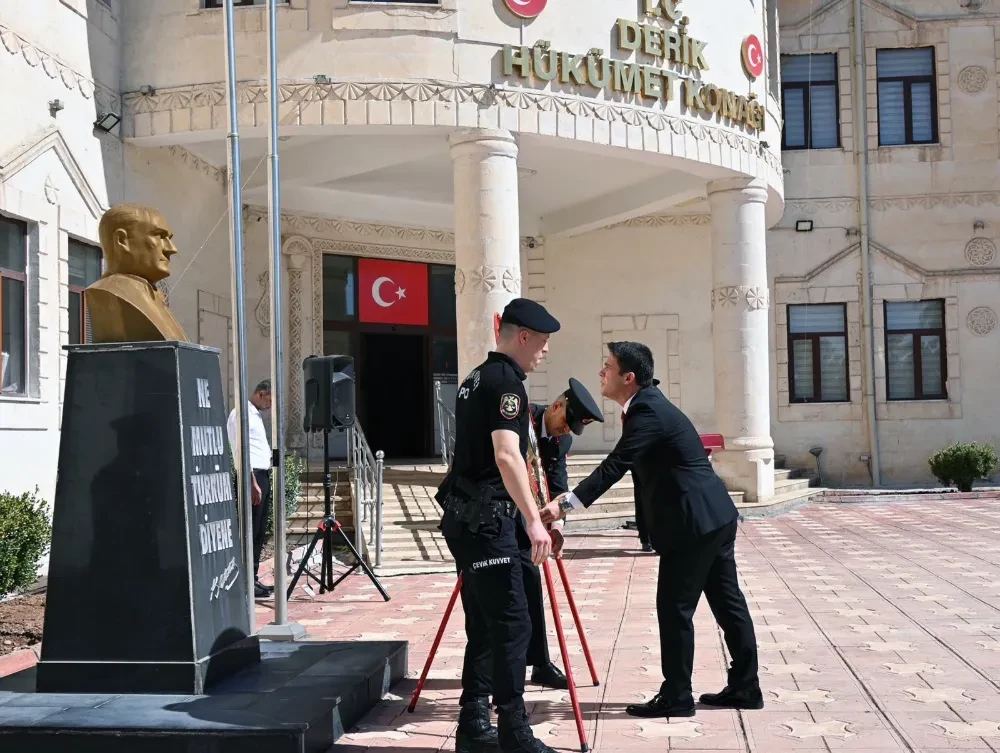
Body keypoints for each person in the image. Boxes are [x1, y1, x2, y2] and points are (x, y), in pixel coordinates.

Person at [540, 342, 762, 718]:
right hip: (712, 517)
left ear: (628, 377)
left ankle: (677, 696)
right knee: (728, 604)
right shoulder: (647, 406)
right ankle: (745, 686)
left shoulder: (648, 411)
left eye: (607, 367)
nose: (601, 373)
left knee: (675, 609)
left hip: (694, 525)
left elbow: (616, 465)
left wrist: (564, 503)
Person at [437, 298, 560, 753]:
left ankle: (473, 725)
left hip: (467, 519)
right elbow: (507, 455)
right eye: (543, 342)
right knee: (512, 625)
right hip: (488, 521)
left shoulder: (475, 378)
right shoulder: (507, 383)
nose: (544, 352)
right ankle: (513, 732)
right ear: (523, 336)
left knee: (486, 625)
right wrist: (534, 521)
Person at [524, 379, 604, 690]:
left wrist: (557, 527)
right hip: (490, 516)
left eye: (573, 428)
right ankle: (491, 669)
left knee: (531, 585)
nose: (567, 431)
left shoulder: (561, 442)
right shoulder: (521, 419)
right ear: (557, 406)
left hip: (530, 520)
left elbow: (558, 485)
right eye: (566, 423)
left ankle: (540, 664)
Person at [85, 203, 189, 344]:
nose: (172, 249)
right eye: (160, 236)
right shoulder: (112, 292)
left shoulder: (154, 296)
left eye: (169, 239)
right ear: (122, 240)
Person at [226, 379, 274, 599]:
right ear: (261, 394)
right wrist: (251, 481)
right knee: (250, 530)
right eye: (270, 399)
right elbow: (240, 450)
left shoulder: (255, 415)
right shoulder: (241, 413)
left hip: (262, 475)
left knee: (259, 531)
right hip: (251, 476)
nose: (271, 406)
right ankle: (245, 580)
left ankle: (253, 578)